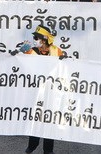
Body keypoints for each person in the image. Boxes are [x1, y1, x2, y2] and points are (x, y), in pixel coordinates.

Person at [14, 25, 66, 154]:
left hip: (51, 91)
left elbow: (65, 67)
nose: (34, 39)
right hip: (36, 92)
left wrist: (65, 60)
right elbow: (19, 63)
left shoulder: (57, 51)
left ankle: (48, 149)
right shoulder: (31, 51)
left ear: (44, 39)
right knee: (36, 118)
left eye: (36, 37)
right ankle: (32, 145)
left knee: (49, 119)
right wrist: (18, 52)